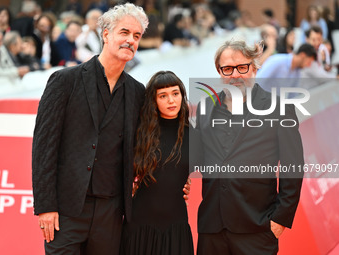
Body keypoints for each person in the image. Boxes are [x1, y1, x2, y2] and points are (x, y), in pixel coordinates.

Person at [32, 3, 149, 255]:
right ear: (106, 34)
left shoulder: (138, 92)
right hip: (66, 210)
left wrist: (178, 179)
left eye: (136, 36)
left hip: (111, 212)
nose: (131, 40)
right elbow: (43, 147)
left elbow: (149, 144)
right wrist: (45, 206)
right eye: (124, 32)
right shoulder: (65, 81)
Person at [195, 40, 304, 255]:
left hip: (257, 228)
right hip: (212, 229)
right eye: (227, 69)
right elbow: (196, 157)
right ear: (219, 72)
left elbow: (294, 166)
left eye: (242, 67)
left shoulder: (279, 109)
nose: (235, 75)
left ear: (254, 67)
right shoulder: (206, 107)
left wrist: (280, 219)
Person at [120, 71, 194, 255]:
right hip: (140, 224)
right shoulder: (140, 131)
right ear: (153, 100)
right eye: (163, 95)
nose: (171, 100)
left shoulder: (193, 133)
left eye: (175, 94)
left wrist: (186, 185)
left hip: (176, 225)